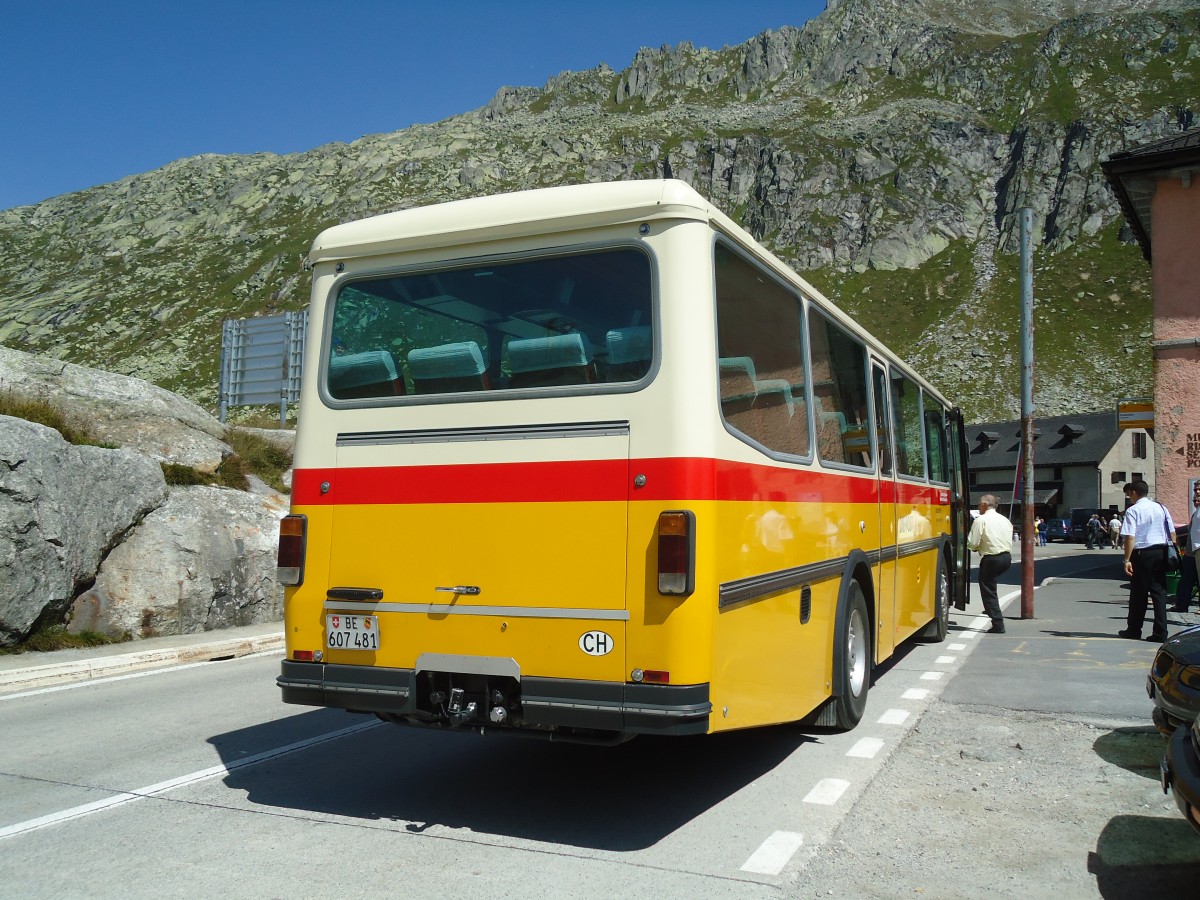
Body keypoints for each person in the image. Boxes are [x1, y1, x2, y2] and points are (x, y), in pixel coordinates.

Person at [1118, 479, 1177, 642]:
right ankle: (1160, 632)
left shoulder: (1133, 510)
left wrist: (1127, 559)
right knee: (1159, 592)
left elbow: (1130, 537)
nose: (1129, 497)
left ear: (1134, 493)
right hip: (1161, 551)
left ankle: (1134, 629)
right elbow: (1172, 533)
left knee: (1139, 593)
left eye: (1129, 494)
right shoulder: (1161, 508)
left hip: (1142, 553)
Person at [967, 494, 1013, 634]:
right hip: (1006, 558)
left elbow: (972, 543)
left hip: (992, 558)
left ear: (985, 504)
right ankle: (990, 608)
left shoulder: (981, 520)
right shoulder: (1005, 520)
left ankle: (997, 623)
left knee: (988, 589)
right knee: (991, 585)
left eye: (979, 504)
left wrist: (974, 548)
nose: (977, 507)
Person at [1172, 483, 1200, 612]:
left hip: (1197, 550)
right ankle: (1181, 605)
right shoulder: (1196, 513)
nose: (1197, 492)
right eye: (1195, 490)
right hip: (1191, 551)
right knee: (1186, 579)